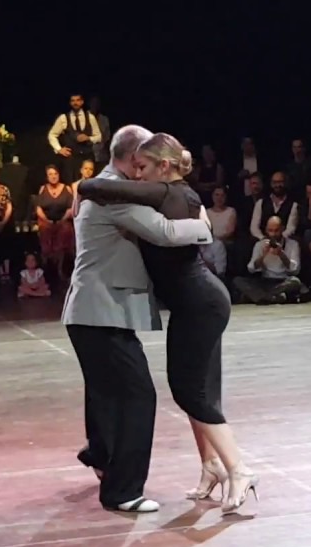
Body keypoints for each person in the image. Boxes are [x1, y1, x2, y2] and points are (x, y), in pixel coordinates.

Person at [77, 132, 260, 514]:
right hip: (195, 302)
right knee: (196, 389)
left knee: (190, 391)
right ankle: (211, 464)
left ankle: (238, 468)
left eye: (143, 169)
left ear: (163, 166)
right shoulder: (166, 191)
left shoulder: (169, 193)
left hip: (200, 302)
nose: (137, 177)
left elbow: (160, 228)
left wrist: (204, 227)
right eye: (135, 167)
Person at [62, 125, 213, 514]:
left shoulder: (106, 186)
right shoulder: (114, 194)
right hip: (100, 310)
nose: (147, 173)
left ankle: (101, 456)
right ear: (133, 161)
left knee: (107, 391)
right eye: (144, 163)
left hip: (95, 311)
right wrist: (204, 225)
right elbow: (162, 231)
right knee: (137, 395)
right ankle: (123, 490)